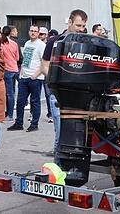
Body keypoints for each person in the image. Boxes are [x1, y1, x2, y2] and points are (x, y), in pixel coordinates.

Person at [41, 10, 88, 156]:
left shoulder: (85, 43)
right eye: (78, 25)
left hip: (78, 93)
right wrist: (58, 80)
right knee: (61, 132)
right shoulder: (54, 41)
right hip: (57, 93)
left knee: (76, 133)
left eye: (83, 26)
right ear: (70, 22)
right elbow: (44, 67)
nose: (81, 29)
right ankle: (58, 163)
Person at [8, 25, 46, 132]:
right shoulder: (27, 43)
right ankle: (18, 123)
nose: (33, 33)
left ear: (38, 33)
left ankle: (34, 124)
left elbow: (44, 63)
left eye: (35, 31)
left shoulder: (41, 45)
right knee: (20, 102)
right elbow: (25, 60)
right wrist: (21, 74)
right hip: (24, 77)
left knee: (35, 102)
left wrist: (36, 75)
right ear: (28, 32)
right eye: (31, 31)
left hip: (35, 78)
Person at [0, 26, 20, 122]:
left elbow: (1, 57)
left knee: (7, 93)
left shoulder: (1, 44)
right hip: (15, 68)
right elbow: (17, 58)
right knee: (12, 93)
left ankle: (9, 114)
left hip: (7, 69)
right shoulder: (14, 44)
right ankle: (10, 113)